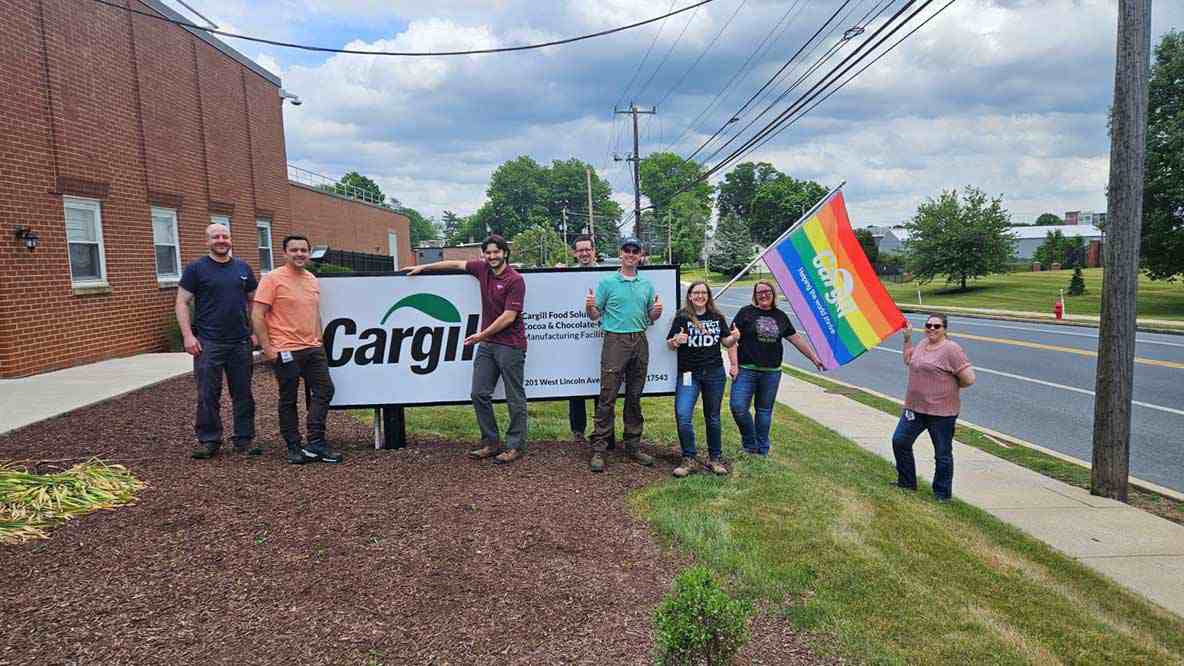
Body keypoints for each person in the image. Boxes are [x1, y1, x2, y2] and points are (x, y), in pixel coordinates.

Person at [404, 235, 528, 464]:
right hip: (488, 345)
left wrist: (481, 335)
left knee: (515, 397)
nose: (492, 256)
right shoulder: (482, 269)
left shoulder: (515, 280)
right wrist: (423, 267)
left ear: (505, 253)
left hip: (510, 345)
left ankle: (515, 446)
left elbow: (509, 317)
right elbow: (453, 264)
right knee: (479, 393)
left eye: (496, 252)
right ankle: (490, 442)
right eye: (488, 253)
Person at [252, 235, 343, 465]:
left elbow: (314, 313)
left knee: (325, 391)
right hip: (285, 349)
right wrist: (267, 348)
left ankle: (316, 442)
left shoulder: (312, 279)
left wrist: (319, 340)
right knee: (288, 399)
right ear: (284, 253)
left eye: (304, 250)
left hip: (313, 348)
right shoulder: (272, 279)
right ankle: (294, 446)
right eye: (294, 250)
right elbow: (257, 314)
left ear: (309, 253)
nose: (299, 254)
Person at [176, 223, 259, 459]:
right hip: (208, 342)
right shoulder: (196, 269)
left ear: (231, 239)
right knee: (207, 393)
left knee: (243, 393)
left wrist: (254, 331)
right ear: (207, 241)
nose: (221, 240)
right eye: (215, 237)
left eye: (225, 236)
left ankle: (244, 439)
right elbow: (182, 302)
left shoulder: (243, 268)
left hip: (240, 342)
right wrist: (188, 336)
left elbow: (254, 301)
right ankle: (209, 439)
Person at [584, 237, 663, 473]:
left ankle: (632, 445)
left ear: (641, 255)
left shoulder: (646, 285)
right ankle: (599, 449)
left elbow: (651, 317)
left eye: (635, 251)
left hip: (639, 340)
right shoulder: (608, 283)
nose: (630, 254)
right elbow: (595, 315)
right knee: (607, 396)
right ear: (621, 253)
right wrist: (589, 306)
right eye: (627, 250)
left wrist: (656, 312)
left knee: (634, 396)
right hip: (615, 341)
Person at [727, 280, 825, 456]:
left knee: (764, 411)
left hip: (771, 373)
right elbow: (731, 339)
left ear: (773, 294)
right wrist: (734, 364)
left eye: (767, 291)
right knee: (738, 407)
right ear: (755, 295)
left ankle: (762, 450)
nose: (763, 295)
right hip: (746, 370)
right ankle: (750, 444)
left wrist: (814, 358)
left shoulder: (781, 316)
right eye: (759, 292)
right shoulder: (745, 313)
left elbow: (796, 339)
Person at [892, 313, 975, 501]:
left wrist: (948, 388)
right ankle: (906, 483)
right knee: (900, 442)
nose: (931, 329)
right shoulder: (922, 344)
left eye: (937, 326)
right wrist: (907, 339)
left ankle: (942, 494)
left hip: (941, 413)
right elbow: (908, 360)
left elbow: (969, 379)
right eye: (928, 325)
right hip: (914, 409)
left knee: (942, 454)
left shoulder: (951, 349)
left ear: (944, 329)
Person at [667, 281, 739, 477]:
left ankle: (715, 458)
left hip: (714, 374)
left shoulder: (716, 317)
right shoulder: (682, 317)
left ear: (708, 296)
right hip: (689, 374)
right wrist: (676, 341)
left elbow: (725, 341)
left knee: (713, 418)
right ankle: (688, 458)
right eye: (696, 293)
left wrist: (734, 338)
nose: (700, 296)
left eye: (703, 293)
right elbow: (670, 343)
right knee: (683, 415)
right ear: (689, 296)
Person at [566, 234, 606, 447]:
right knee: (576, 387)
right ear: (574, 253)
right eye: (579, 250)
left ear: (594, 251)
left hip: (602, 337)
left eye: (587, 249)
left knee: (602, 388)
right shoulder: (565, 276)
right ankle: (577, 433)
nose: (583, 253)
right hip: (575, 338)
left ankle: (601, 432)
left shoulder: (607, 275)